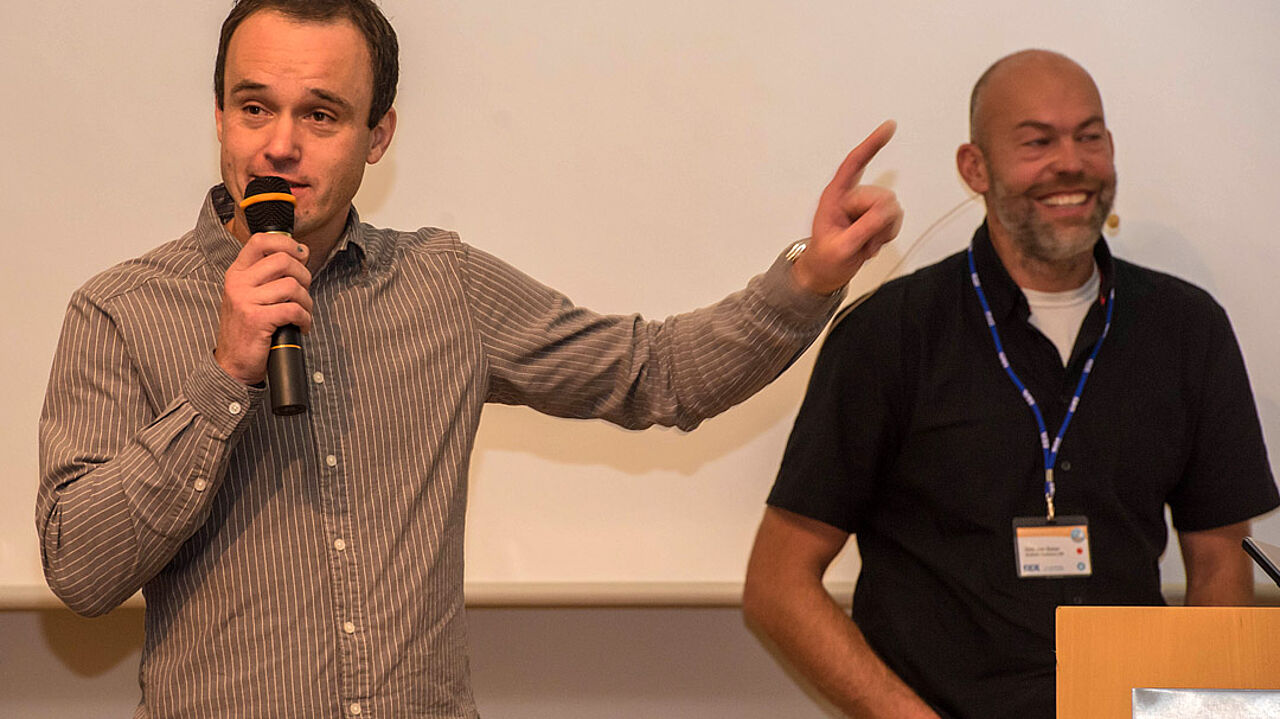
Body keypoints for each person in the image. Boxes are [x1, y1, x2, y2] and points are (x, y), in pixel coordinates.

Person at [36, 1, 901, 717]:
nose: (280, 145)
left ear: (378, 135)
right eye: (254, 107)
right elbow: (81, 570)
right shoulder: (120, 310)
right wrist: (222, 380)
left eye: (322, 114)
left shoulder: (441, 284)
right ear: (220, 116)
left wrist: (808, 277)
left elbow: (655, 372)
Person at [743, 49, 1279, 719]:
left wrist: (1205, 713)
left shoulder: (1187, 328)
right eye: (1037, 142)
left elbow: (1222, 561)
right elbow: (777, 585)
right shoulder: (891, 333)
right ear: (975, 168)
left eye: (1090, 136)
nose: (1071, 163)